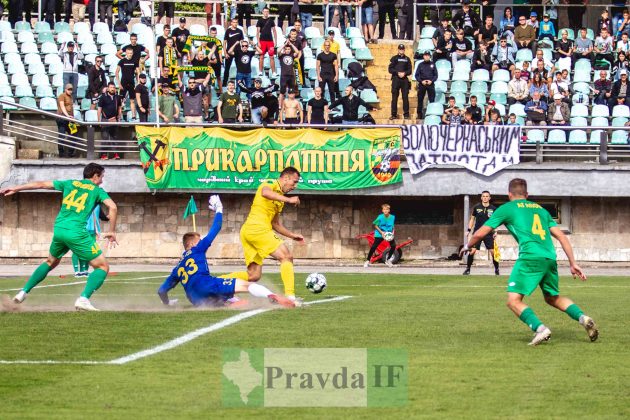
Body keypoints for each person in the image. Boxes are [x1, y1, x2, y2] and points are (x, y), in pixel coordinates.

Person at [461, 178, 599, 346]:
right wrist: (573, 263)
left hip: (530, 257)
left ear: (509, 194)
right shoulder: (541, 210)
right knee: (552, 298)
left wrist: (468, 245)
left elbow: (481, 232)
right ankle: (583, 318)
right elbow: (562, 236)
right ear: (526, 194)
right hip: (549, 257)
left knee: (513, 300)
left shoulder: (507, 208)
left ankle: (540, 329)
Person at [3, 163, 118, 311]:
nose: (102, 180)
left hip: (59, 230)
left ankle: (23, 292)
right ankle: (83, 299)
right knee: (102, 267)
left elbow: (41, 184)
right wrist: (112, 231)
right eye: (102, 176)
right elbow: (113, 207)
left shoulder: (69, 183)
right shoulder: (97, 190)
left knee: (51, 261)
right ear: (95, 176)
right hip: (76, 232)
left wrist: (16, 188)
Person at [158, 195, 295, 308]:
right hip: (207, 285)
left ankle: (227, 302)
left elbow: (161, 291)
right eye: (200, 239)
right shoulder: (197, 248)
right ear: (192, 243)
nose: (202, 240)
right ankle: (272, 296)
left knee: (224, 300)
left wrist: (168, 303)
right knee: (248, 285)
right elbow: (216, 228)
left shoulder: (177, 268)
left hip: (195, 300)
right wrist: (219, 209)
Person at [222, 167, 305, 303]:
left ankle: (217, 282)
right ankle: (290, 298)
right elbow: (265, 193)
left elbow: (275, 224)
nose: (295, 186)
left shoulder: (279, 200)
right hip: (256, 229)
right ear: (286, 178)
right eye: (294, 182)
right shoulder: (270, 183)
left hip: (250, 231)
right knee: (286, 256)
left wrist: (292, 235)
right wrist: (289, 200)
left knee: (253, 276)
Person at [464, 191, 498, 275]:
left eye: (487, 196)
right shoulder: (477, 207)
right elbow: (472, 219)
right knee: (472, 251)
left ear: (489, 198)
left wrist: (495, 231)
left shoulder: (493, 209)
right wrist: (468, 230)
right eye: (484, 196)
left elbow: (495, 221)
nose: (485, 197)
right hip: (477, 233)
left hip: (488, 233)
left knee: (493, 252)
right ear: (481, 197)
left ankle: (497, 269)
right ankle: (467, 269)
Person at [72, 205, 108, 278]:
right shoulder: (82, 203)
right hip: (81, 230)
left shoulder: (97, 205)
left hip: (93, 231)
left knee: (88, 251)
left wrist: (109, 217)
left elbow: (102, 216)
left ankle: (84, 270)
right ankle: (76, 271)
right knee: (77, 250)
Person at [364, 203, 396, 268]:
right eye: (384, 209)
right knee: (374, 247)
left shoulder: (392, 217)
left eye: (387, 209)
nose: (385, 211)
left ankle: (388, 260)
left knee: (393, 246)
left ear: (389, 210)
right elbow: (375, 225)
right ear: (382, 210)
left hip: (388, 234)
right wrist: (381, 232)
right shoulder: (380, 216)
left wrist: (392, 233)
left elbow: (393, 226)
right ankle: (367, 261)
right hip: (380, 233)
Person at [98, 82, 123, 160]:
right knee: (105, 138)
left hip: (114, 120)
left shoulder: (117, 97)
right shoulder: (103, 97)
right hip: (105, 120)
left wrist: (118, 118)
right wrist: (99, 121)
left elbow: (119, 108)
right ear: (108, 88)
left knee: (114, 137)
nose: (112, 89)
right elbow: (99, 110)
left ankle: (116, 154)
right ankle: (103, 155)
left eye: (114, 87)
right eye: (111, 87)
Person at [389, 44, 412, 120]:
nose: (401, 50)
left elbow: (410, 70)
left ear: (404, 50)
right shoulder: (394, 58)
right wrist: (397, 73)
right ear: (398, 50)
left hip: (404, 80)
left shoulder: (407, 59)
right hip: (396, 79)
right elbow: (390, 69)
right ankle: (393, 114)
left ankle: (406, 114)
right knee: (394, 97)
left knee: (405, 97)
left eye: (402, 49)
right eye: (400, 49)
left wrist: (404, 73)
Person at [115, 46, 139, 121]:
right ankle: (120, 116)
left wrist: (137, 83)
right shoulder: (122, 61)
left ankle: (133, 116)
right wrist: (119, 83)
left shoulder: (134, 61)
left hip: (131, 83)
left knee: (132, 100)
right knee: (121, 100)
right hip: (123, 83)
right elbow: (116, 72)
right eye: (128, 53)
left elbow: (138, 72)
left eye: (131, 53)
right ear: (126, 53)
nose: (130, 54)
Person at [223, 18, 245, 88]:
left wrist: (242, 51)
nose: (235, 24)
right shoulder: (228, 31)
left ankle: (240, 84)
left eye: (236, 22)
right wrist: (225, 53)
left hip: (238, 52)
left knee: (239, 69)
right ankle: (224, 84)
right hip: (229, 52)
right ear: (231, 23)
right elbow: (224, 42)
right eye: (233, 22)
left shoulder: (240, 31)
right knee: (227, 68)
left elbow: (242, 42)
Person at [415, 51, 438, 118]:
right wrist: (421, 81)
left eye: (428, 55)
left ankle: (432, 113)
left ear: (430, 57)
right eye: (425, 55)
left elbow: (436, 75)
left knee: (432, 99)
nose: (427, 56)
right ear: (423, 56)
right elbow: (416, 75)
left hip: (430, 84)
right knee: (420, 99)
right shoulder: (420, 64)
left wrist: (431, 81)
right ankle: (419, 114)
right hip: (422, 84)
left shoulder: (433, 64)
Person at [256, 7, 277, 77]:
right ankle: (260, 71)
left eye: (267, 11)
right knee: (261, 56)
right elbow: (257, 32)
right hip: (262, 41)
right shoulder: (260, 21)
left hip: (270, 41)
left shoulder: (271, 20)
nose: (266, 13)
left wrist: (275, 41)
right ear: (262, 12)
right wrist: (258, 42)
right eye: (265, 11)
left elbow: (274, 31)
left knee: (272, 57)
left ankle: (274, 72)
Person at [57, 84, 75, 159]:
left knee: (74, 133)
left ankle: (70, 152)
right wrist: (67, 116)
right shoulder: (62, 96)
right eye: (69, 89)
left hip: (70, 119)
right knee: (62, 134)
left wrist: (72, 117)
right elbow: (62, 106)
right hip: (62, 118)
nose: (70, 91)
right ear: (65, 89)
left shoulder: (71, 97)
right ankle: (61, 152)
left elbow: (71, 108)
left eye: (71, 89)